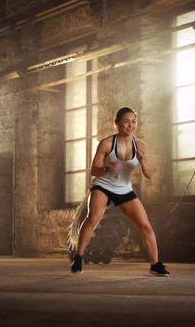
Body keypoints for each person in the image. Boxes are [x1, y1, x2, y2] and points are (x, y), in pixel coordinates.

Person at [70, 107, 170, 277]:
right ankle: (78, 257)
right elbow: (94, 170)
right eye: (126, 121)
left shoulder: (140, 146)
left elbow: (150, 174)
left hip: (124, 188)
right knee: (93, 218)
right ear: (117, 123)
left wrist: (143, 161)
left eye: (134, 122)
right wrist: (108, 168)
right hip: (102, 185)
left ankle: (155, 264)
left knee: (146, 226)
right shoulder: (107, 143)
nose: (130, 125)